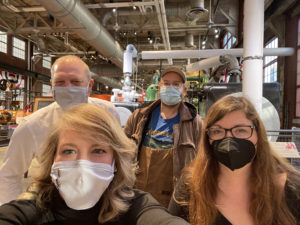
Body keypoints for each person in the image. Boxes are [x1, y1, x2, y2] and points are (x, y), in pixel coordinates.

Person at [0, 104, 190, 225]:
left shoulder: (136, 205)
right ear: (52, 160)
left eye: (98, 151)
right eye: (68, 151)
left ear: (116, 162)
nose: (82, 163)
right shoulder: (34, 206)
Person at [0, 55, 120, 204]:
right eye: (60, 82)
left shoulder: (108, 113)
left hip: (103, 199)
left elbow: (119, 158)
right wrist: (15, 213)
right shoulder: (32, 126)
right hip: (53, 202)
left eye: (75, 82)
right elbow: (9, 174)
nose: (68, 88)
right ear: (52, 85)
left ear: (89, 85)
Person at [168, 95, 300, 225]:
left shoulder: (292, 189)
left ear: (258, 135)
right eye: (218, 131)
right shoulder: (190, 186)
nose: (229, 140)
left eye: (241, 130)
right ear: (207, 139)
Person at [124, 66, 202, 207]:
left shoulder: (195, 123)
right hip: (137, 195)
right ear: (159, 88)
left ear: (183, 90)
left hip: (174, 201)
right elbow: (121, 152)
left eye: (176, 84)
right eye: (166, 83)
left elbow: (203, 163)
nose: (170, 87)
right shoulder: (139, 118)